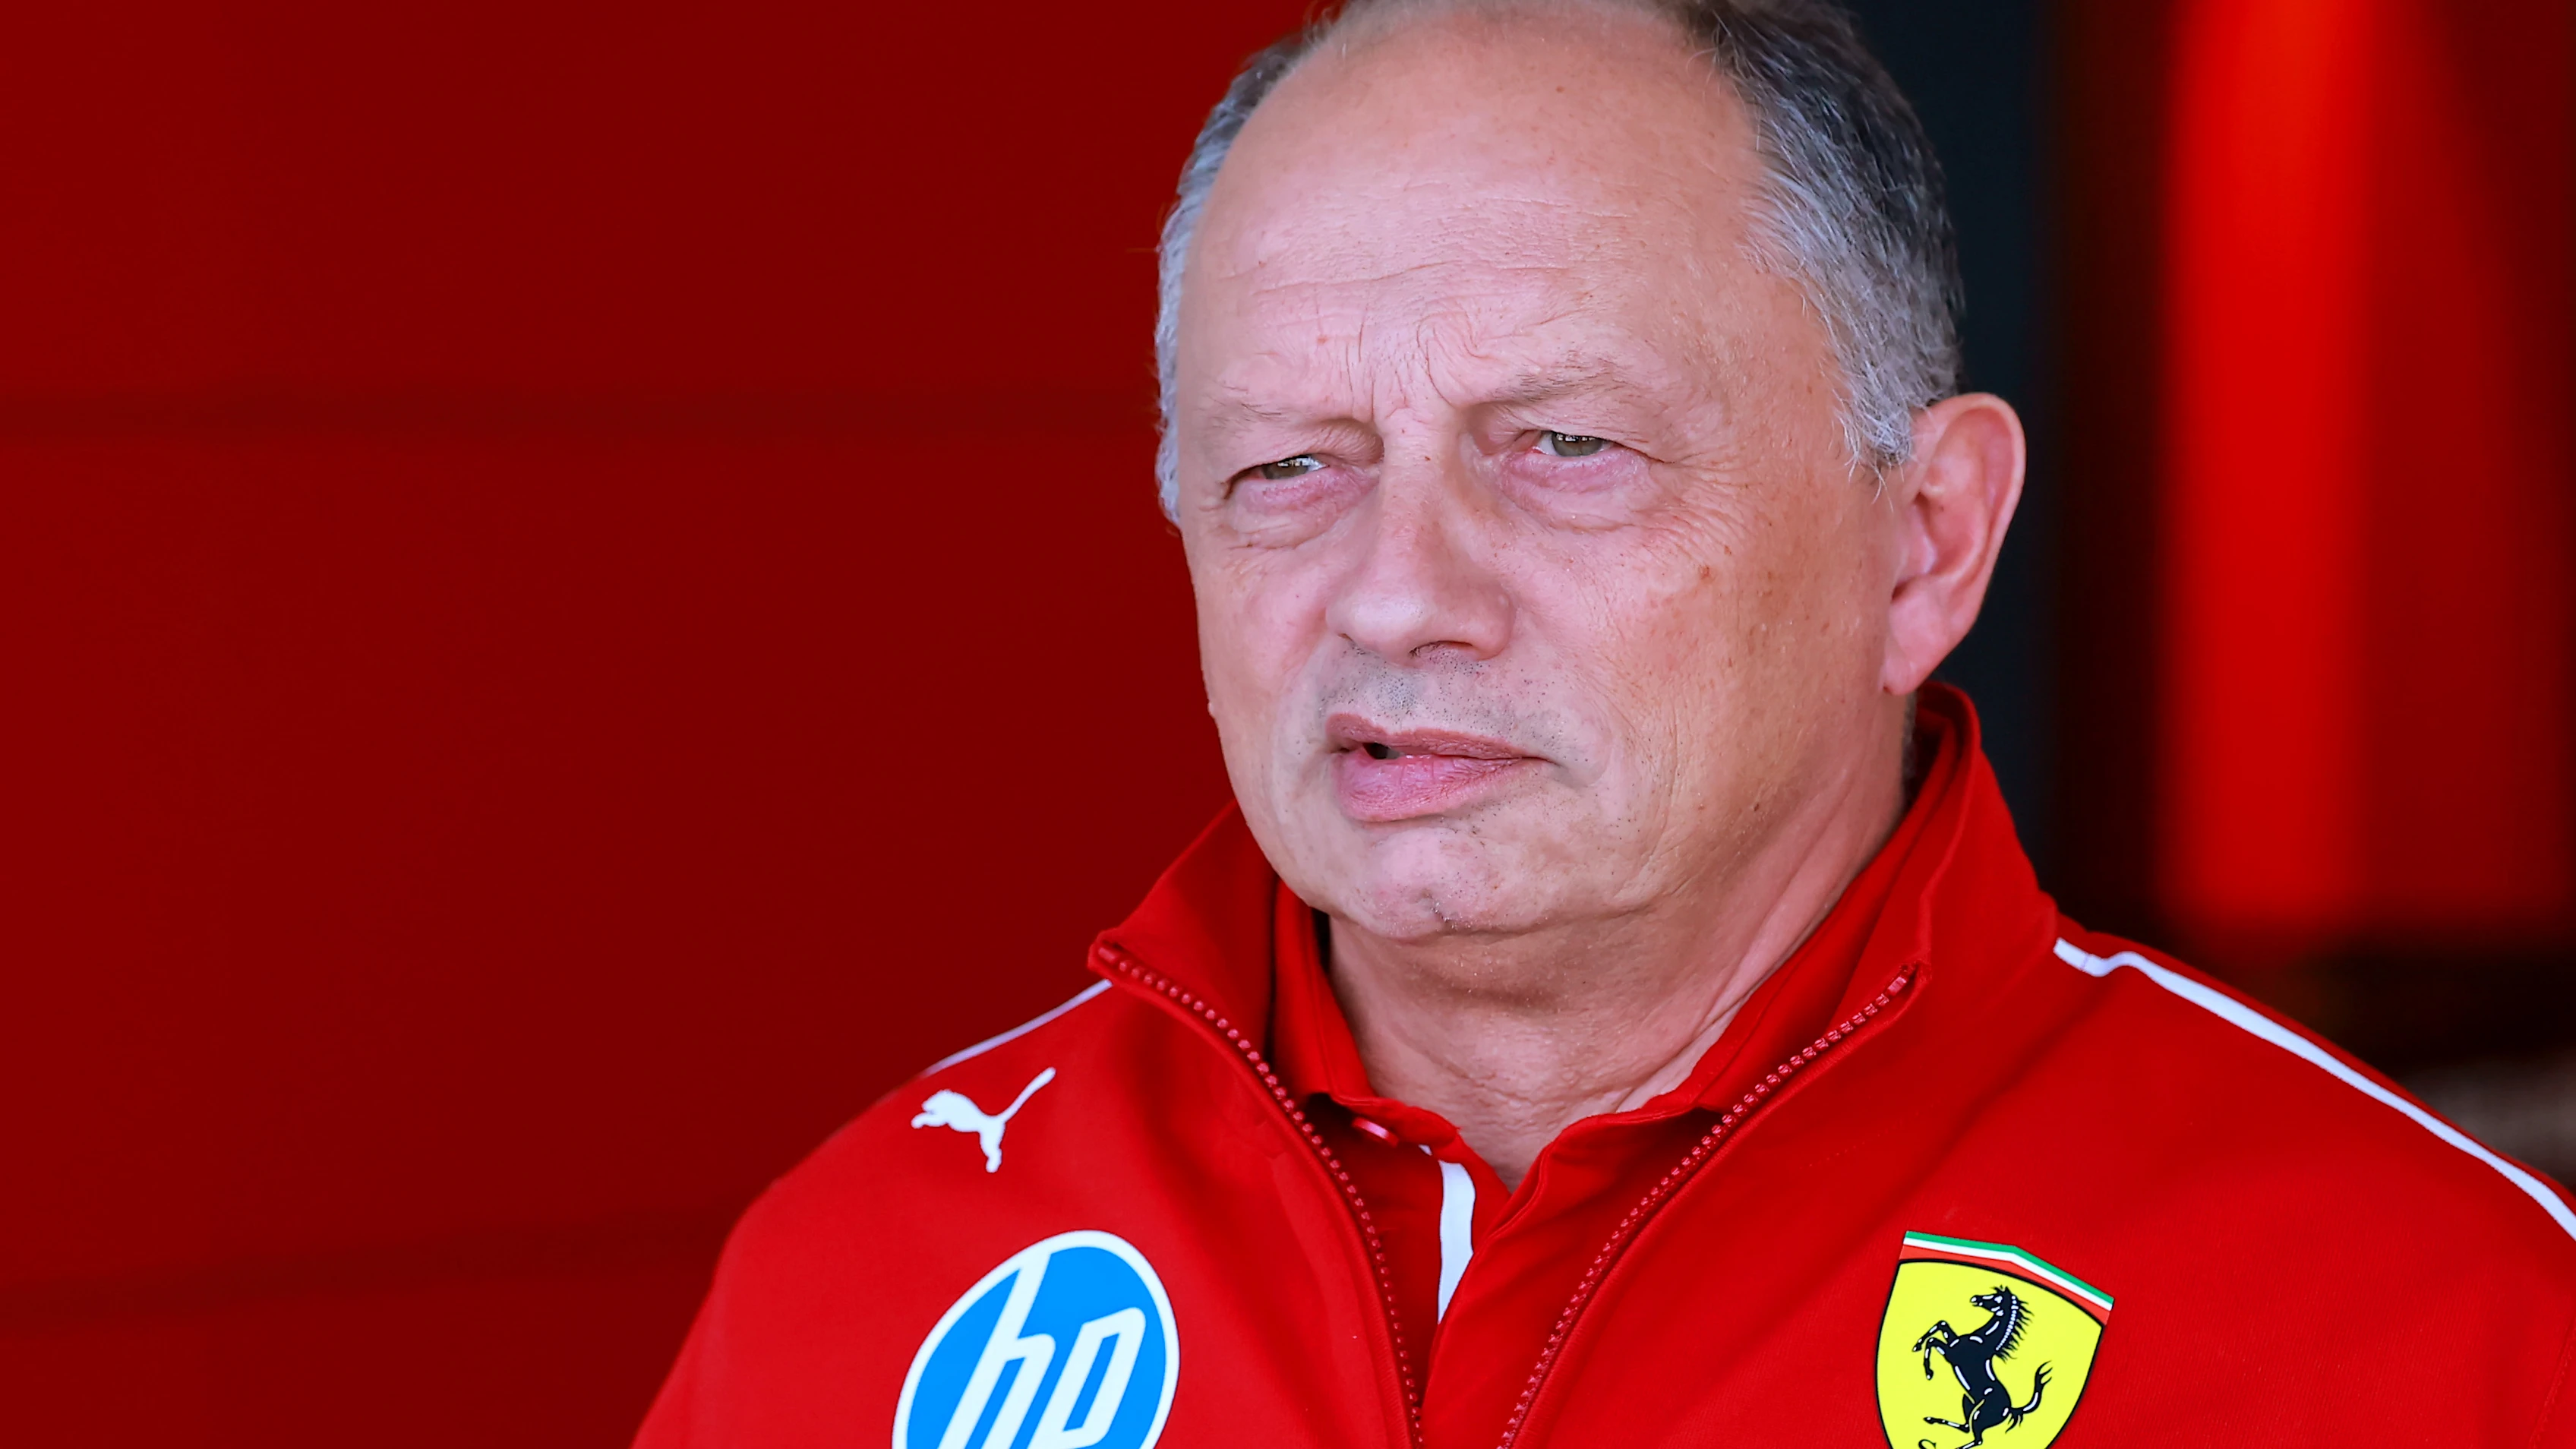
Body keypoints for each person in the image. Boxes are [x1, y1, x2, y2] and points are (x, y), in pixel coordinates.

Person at [635, 2, 2576, 1444]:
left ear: (1924, 542)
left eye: (1563, 448)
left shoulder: (2420, 1334)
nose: (1397, 593)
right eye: (1289, 469)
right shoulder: (862, 1285)